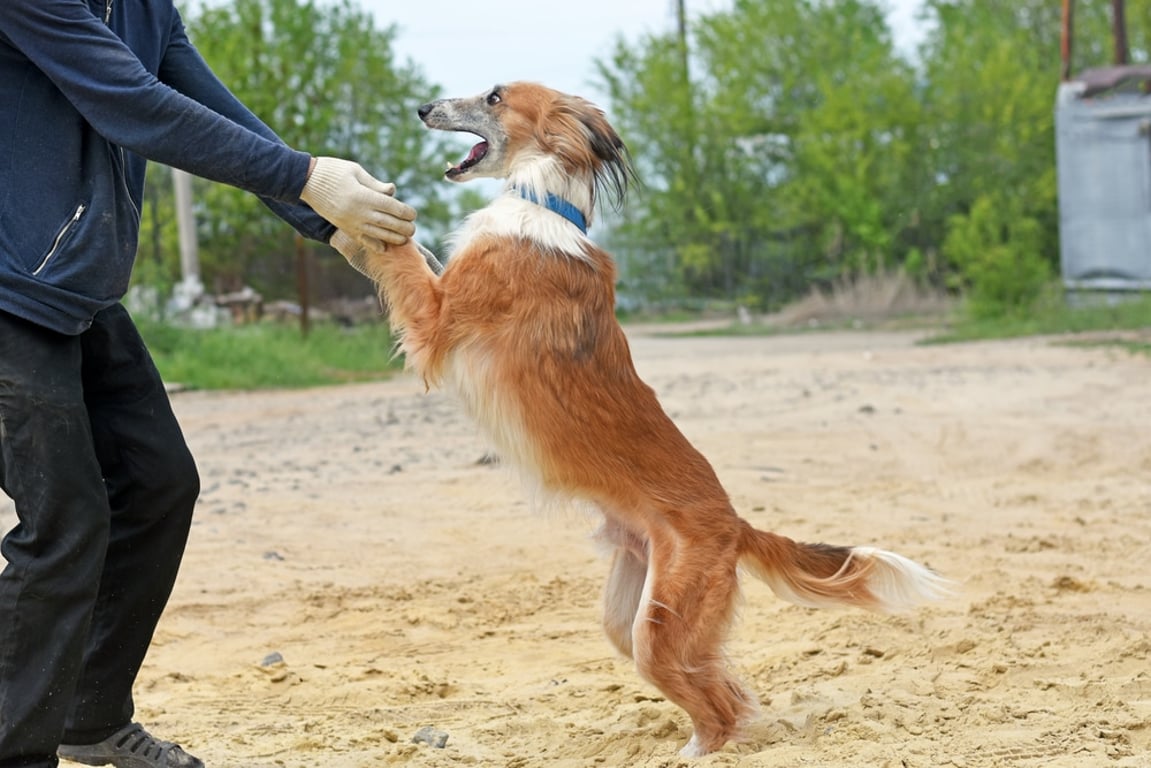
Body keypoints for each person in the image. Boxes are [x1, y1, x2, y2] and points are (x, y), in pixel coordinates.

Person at [0, 1, 415, 766]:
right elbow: (131, 104)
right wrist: (307, 178)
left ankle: (88, 716)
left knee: (158, 483)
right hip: (7, 293)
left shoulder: (148, 8)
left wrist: (328, 222)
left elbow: (206, 110)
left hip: (73, 292)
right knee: (64, 521)